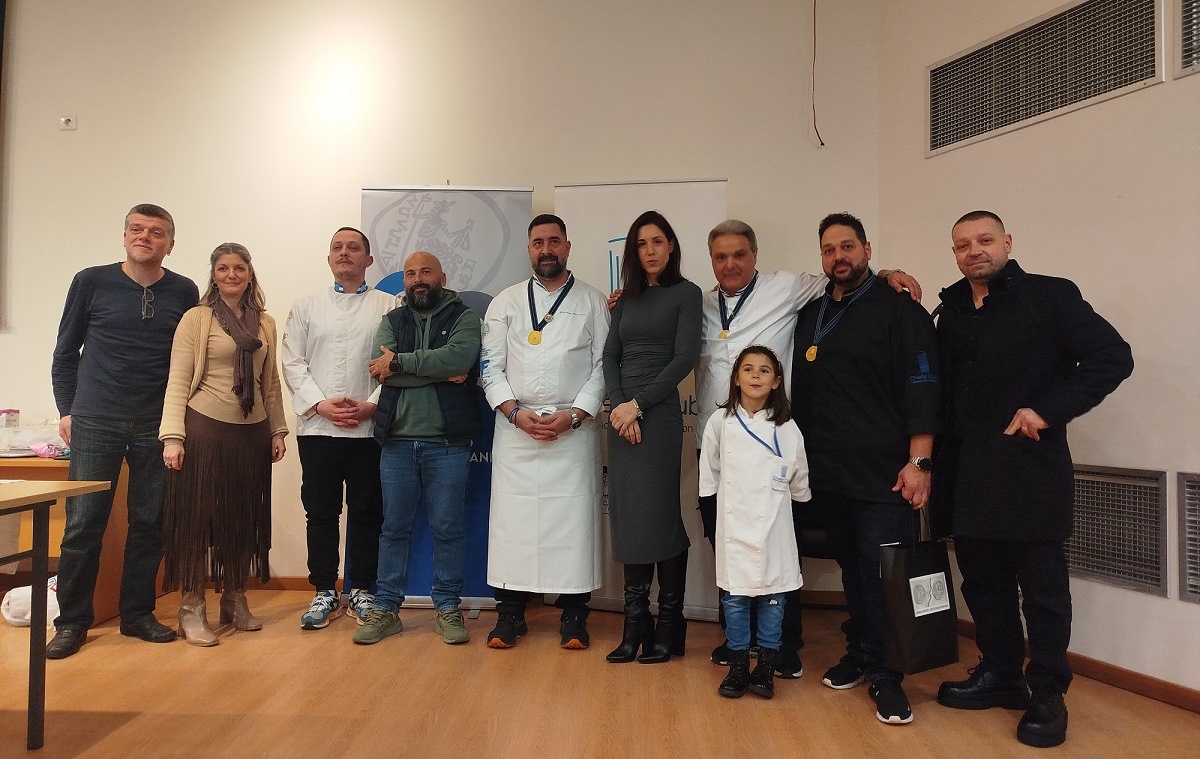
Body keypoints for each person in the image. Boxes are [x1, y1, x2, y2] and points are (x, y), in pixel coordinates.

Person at [932, 210, 1133, 748]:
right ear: (954, 253)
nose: (974, 251)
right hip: (968, 474)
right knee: (982, 583)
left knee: (1043, 592)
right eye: (962, 245)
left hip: (1031, 472)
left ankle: (1047, 691)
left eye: (984, 240)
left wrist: (1046, 409)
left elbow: (1113, 357)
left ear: (1007, 242)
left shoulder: (1050, 296)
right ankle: (1001, 674)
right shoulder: (951, 311)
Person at [696, 219, 922, 677]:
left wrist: (886, 273)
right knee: (729, 545)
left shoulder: (788, 287)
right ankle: (738, 640)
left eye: (739, 254)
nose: (730, 263)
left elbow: (846, 273)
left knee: (779, 546)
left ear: (755, 255)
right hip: (719, 440)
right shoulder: (698, 304)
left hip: (775, 443)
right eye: (720, 256)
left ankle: (784, 644)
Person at [790, 212, 940, 725]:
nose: (839, 257)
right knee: (852, 570)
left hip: (885, 475)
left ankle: (888, 675)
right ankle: (860, 652)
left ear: (867, 249)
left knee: (884, 577)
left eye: (847, 246)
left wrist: (919, 461)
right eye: (829, 249)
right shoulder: (812, 313)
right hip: (828, 474)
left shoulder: (900, 309)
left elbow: (924, 387)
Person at [48, 203, 200, 659]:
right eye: (137, 229)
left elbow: (190, 358)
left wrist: (180, 422)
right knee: (82, 525)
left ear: (170, 244)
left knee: (150, 522)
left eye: (156, 232)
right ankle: (72, 623)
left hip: (157, 422)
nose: (145, 237)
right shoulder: (90, 281)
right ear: (125, 236)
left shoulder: (184, 290)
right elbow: (65, 352)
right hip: (96, 419)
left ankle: (137, 615)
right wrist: (68, 410)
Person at [480, 214, 610, 650]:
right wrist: (513, 412)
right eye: (538, 242)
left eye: (554, 241)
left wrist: (576, 414)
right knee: (513, 524)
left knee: (574, 524)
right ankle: (509, 614)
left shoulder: (592, 301)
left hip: (573, 429)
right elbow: (489, 366)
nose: (546, 249)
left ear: (567, 247)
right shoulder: (505, 302)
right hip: (516, 429)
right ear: (529, 249)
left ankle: (574, 616)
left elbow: (604, 366)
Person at [159, 243, 289, 646]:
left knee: (242, 519)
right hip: (204, 429)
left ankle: (235, 599)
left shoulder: (265, 323)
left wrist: (277, 430)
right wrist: (172, 437)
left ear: (250, 275)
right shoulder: (196, 318)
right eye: (223, 268)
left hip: (251, 433)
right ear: (214, 276)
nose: (231, 274)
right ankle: (191, 607)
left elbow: (270, 383)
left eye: (239, 268)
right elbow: (178, 378)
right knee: (197, 521)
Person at [354, 251, 483, 646]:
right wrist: (440, 372)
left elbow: (460, 357)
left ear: (442, 277)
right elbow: (379, 370)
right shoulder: (392, 320)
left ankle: (447, 608)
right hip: (396, 443)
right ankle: (386, 609)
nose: (417, 279)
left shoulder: (464, 317)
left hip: (447, 444)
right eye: (410, 274)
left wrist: (401, 365)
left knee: (448, 529)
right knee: (393, 529)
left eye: (425, 271)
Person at [282, 227, 397, 631]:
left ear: (368, 259)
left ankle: (361, 588)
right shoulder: (306, 305)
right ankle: (323, 590)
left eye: (354, 248)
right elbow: (292, 361)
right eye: (337, 247)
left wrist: (372, 405)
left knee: (367, 511)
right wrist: (320, 404)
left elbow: (396, 361)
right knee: (321, 512)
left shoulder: (390, 306)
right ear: (329, 258)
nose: (344, 253)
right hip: (318, 429)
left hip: (368, 429)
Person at [602, 210, 703, 665]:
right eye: (641, 244)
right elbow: (610, 356)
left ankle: (670, 624)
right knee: (629, 516)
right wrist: (619, 406)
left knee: (660, 513)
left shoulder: (687, 293)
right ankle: (635, 624)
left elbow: (684, 358)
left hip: (656, 415)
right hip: (622, 417)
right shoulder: (625, 299)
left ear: (671, 245)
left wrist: (637, 405)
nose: (650, 251)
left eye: (658, 241)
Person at [699, 345, 810, 699]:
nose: (756, 376)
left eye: (764, 370)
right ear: (736, 378)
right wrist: (710, 506)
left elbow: (799, 477)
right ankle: (737, 668)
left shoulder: (786, 426)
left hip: (774, 526)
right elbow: (709, 473)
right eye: (748, 369)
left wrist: (799, 499)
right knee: (734, 600)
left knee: (773, 599)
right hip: (733, 525)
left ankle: (765, 669)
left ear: (776, 381)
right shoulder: (720, 422)